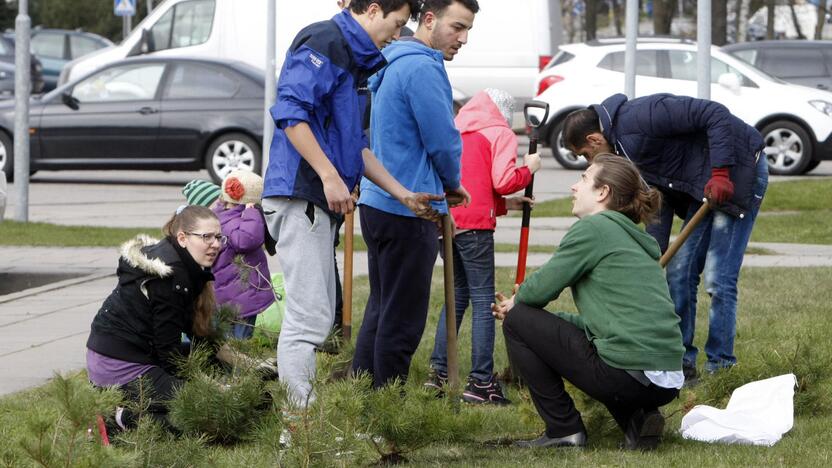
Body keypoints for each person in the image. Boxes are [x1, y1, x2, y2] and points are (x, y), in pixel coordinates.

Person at [262, 0, 440, 408]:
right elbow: (291, 112)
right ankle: (300, 428)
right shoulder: (324, 40)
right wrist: (327, 176)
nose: (397, 35)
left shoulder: (358, 61)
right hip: (299, 195)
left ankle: (304, 420)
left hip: (317, 201)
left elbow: (357, 147)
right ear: (374, 9)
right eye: (396, 24)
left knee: (318, 317)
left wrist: (404, 194)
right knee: (308, 321)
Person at [562, 93, 768, 380]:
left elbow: (715, 112)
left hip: (740, 168)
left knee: (718, 278)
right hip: (701, 185)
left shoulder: (644, 115)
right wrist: (651, 256)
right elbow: (657, 198)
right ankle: (681, 361)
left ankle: (721, 367)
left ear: (595, 140)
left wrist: (721, 173)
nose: (588, 162)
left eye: (585, 154)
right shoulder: (623, 152)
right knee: (678, 272)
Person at [492, 154, 685, 450]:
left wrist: (516, 304)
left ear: (602, 192)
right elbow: (609, 322)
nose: (573, 186)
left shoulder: (594, 228)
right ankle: (638, 421)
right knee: (606, 349)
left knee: (518, 321)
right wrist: (544, 316)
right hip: (667, 379)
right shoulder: (635, 238)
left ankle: (563, 429)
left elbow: (536, 291)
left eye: (583, 179)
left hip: (628, 373)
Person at [352, 0, 479, 389]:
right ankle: (385, 413)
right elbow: (442, 140)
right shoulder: (422, 66)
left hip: (378, 203)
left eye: (468, 29)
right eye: (457, 27)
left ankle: (360, 401)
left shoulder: (390, 58)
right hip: (412, 207)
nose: (463, 38)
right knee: (402, 318)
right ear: (429, 19)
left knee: (381, 308)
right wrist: (452, 183)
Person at [424, 88, 540, 405]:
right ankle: (481, 382)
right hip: (475, 229)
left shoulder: (458, 128)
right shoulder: (499, 132)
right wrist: (529, 167)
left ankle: (439, 374)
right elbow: (502, 180)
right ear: (503, 113)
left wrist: (507, 205)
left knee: (456, 296)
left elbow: (474, 182)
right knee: (484, 302)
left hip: (446, 220)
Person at [86, 205, 224, 431]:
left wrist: (246, 364)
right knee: (197, 412)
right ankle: (117, 419)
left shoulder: (183, 265)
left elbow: (195, 334)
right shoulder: (170, 276)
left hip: (128, 353)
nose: (215, 244)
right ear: (182, 238)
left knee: (201, 362)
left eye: (218, 237)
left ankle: (129, 407)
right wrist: (205, 386)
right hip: (121, 366)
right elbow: (167, 351)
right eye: (206, 237)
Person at [212, 170, 274, 340]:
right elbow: (246, 240)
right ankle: (236, 366)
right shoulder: (241, 221)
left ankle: (222, 365)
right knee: (239, 343)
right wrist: (252, 212)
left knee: (222, 340)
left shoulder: (219, 216)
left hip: (225, 296)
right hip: (241, 298)